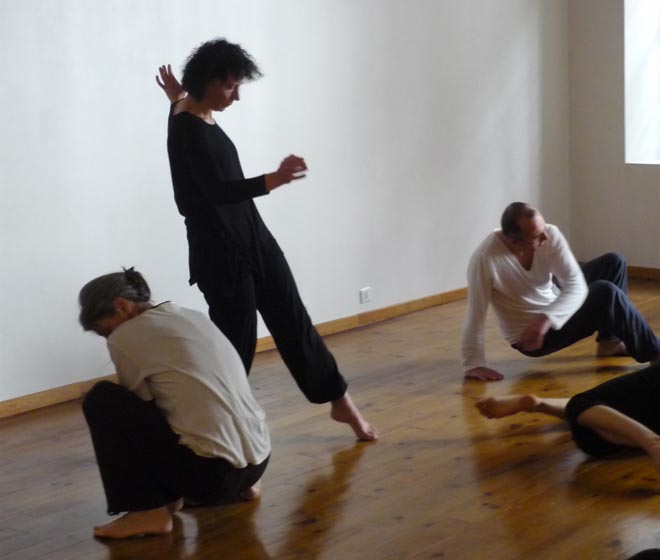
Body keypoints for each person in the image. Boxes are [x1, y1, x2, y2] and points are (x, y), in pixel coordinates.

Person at [154, 38, 377, 440]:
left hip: (254, 236)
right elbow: (217, 190)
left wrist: (177, 95)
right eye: (230, 86)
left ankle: (339, 400)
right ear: (208, 81)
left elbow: (184, 106)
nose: (236, 96)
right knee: (235, 345)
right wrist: (274, 179)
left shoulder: (192, 109)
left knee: (294, 321)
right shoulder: (187, 127)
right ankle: (216, 428)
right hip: (220, 250)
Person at [78, 268, 270, 539]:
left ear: (122, 306)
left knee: (102, 400)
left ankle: (148, 511)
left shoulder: (127, 336)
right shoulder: (192, 316)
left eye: (105, 330)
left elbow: (139, 416)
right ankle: (241, 486)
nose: (109, 338)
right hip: (259, 462)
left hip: (212, 476)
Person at [461, 202, 660, 381]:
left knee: (614, 262)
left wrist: (545, 317)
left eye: (543, 228)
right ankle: (655, 354)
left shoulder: (549, 234)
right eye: (537, 236)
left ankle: (610, 343)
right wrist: (473, 363)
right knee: (605, 293)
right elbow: (475, 313)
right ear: (514, 242)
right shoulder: (485, 258)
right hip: (531, 338)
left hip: (551, 309)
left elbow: (576, 284)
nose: (545, 236)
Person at [476, 364, 660, 474]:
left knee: (583, 405)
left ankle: (650, 441)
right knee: (588, 418)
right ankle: (540, 404)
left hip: (602, 433)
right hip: (604, 442)